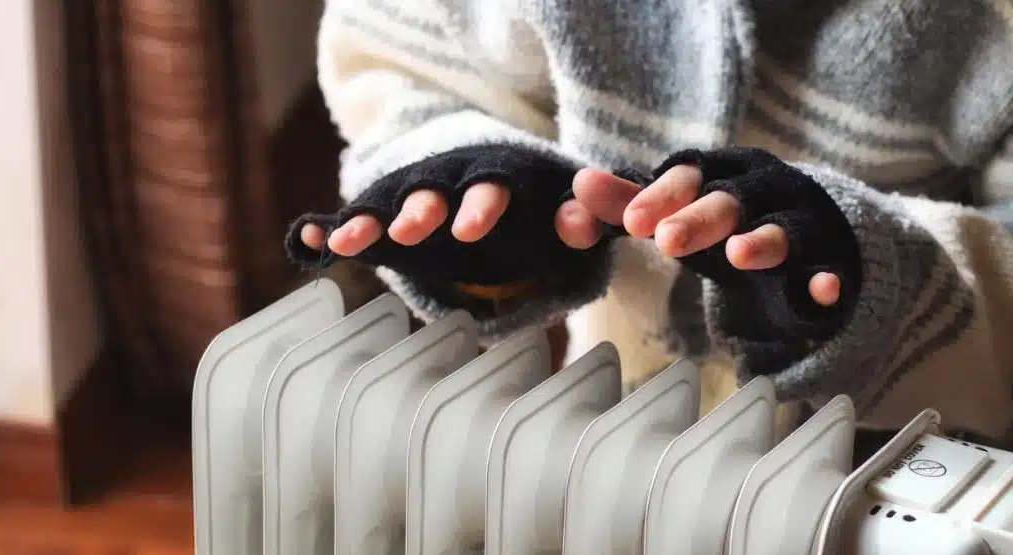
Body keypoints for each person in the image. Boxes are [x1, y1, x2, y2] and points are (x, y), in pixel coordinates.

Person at [290, 0, 1013, 446]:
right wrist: (474, 180)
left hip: (910, 462)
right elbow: (401, 66)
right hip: (621, 424)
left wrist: (873, 277)